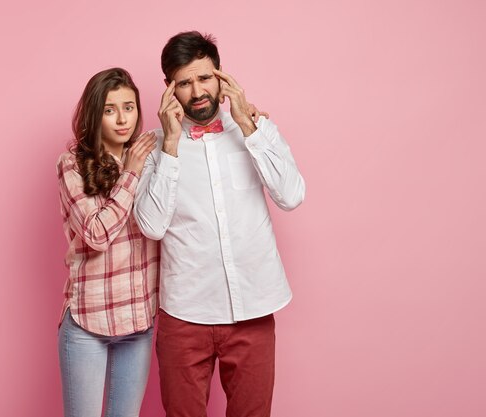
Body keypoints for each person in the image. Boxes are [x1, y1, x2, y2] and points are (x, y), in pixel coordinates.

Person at [133, 31, 306, 417]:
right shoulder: (154, 148)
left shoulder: (257, 130)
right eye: (184, 82)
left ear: (222, 77)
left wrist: (250, 128)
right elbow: (151, 226)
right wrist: (171, 147)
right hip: (185, 313)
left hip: (253, 308)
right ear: (169, 90)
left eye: (205, 77)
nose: (197, 91)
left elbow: (291, 195)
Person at [56, 67, 158, 417]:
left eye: (128, 107)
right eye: (110, 109)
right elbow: (97, 235)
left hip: (138, 322)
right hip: (89, 321)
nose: (122, 119)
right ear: (94, 114)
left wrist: (246, 122)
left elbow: (193, 139)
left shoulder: (152, 156)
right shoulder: (71, 164)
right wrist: (129, 173)